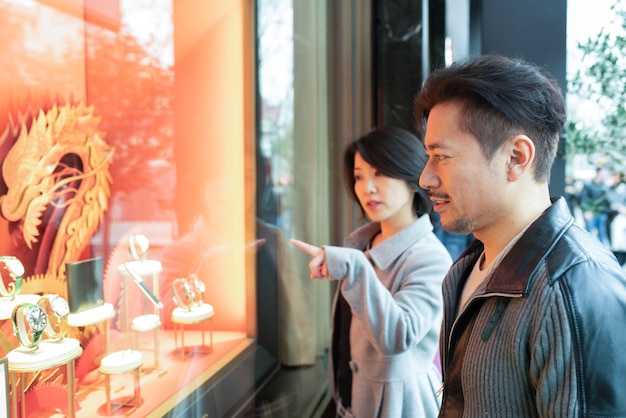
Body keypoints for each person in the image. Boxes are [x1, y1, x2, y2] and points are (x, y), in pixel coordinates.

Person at [413, 54, 626, 417]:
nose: (425, 178)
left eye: (442, 157)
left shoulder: (574, 287)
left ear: (516, 157)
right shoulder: (466, 268)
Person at [290, 127, 452, 418]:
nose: (367, 187)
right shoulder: (363, 243)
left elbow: (397, 337)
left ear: (412, 178)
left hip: (400, 408)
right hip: (351, 400)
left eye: (380, 173)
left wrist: (355, 267)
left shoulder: (429, 257)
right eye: (359, 176)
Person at [579, 167, 611, 246]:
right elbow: (583, 199)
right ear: (598, 173)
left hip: (602, 212)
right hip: (590, 212)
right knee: (589, 232)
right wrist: (586, 211)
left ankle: (604, 252)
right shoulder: (588, 185)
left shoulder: (605, 187)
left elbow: (607, 202)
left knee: (602, 232)